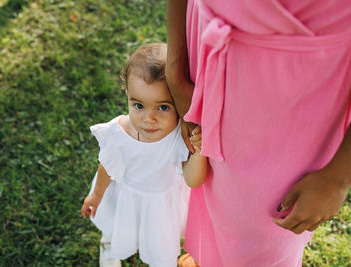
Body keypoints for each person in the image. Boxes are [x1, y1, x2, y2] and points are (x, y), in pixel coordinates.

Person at [166, 0, 351, 266]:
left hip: (303, 86)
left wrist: (339, 176)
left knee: (265, 232)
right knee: (210, 184)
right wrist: (175, 73)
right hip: (207, 48)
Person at [81, 43, 208, 267]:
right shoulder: (119, 133)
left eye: (162, 107)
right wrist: (97, 195)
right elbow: (107, 166)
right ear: (128, 96)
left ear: (177, 104)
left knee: (160, 248)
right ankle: (109, 248)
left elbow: (193, 179)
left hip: (160, 205)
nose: (149, 118)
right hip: (124, 197)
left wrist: (199, 152)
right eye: (139, 105)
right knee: (116, 227)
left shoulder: (179, 135)